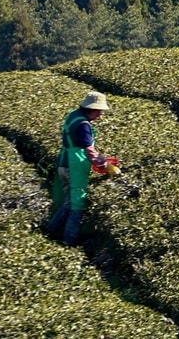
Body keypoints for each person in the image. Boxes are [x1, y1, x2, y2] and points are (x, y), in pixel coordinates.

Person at [45, 91, 111, 245]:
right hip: (73, 166)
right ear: (91, 109)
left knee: (68, 202)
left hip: (63, 162)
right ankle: (69, 240)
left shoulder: (73, 115)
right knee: (77, 203)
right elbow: (89, 149)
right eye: (98, 111)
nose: (100, 115)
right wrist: (105, 164)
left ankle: (50, 231)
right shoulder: (84, 125)